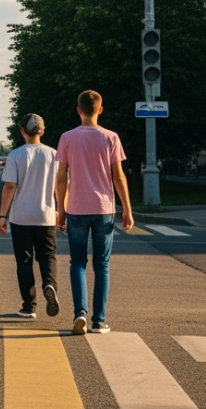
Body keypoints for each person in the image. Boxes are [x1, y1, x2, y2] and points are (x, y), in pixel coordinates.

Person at [54, 90, 134, 336]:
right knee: (102, 265)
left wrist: (61, 210)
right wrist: (127, 210)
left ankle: (80, 313)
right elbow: (118, 177)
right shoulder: (111, 138)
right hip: (104, 210)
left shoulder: (67, 138)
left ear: (78, 110)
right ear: (100, 109)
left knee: (77, 262)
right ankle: (99, 321)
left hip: (77, 209)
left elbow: (61, 178)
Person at [0, 113, 60, 320]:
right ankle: (50, 284)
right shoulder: (53, 154)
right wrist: (61, 210)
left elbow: (10, 185)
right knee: (48, 257)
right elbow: (61, 185)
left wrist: (2, 215)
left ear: (22, 131)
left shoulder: (16, 155)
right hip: (46, 216)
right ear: (42, 131)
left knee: (24, 261)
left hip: (21, 217)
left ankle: (29, 306)